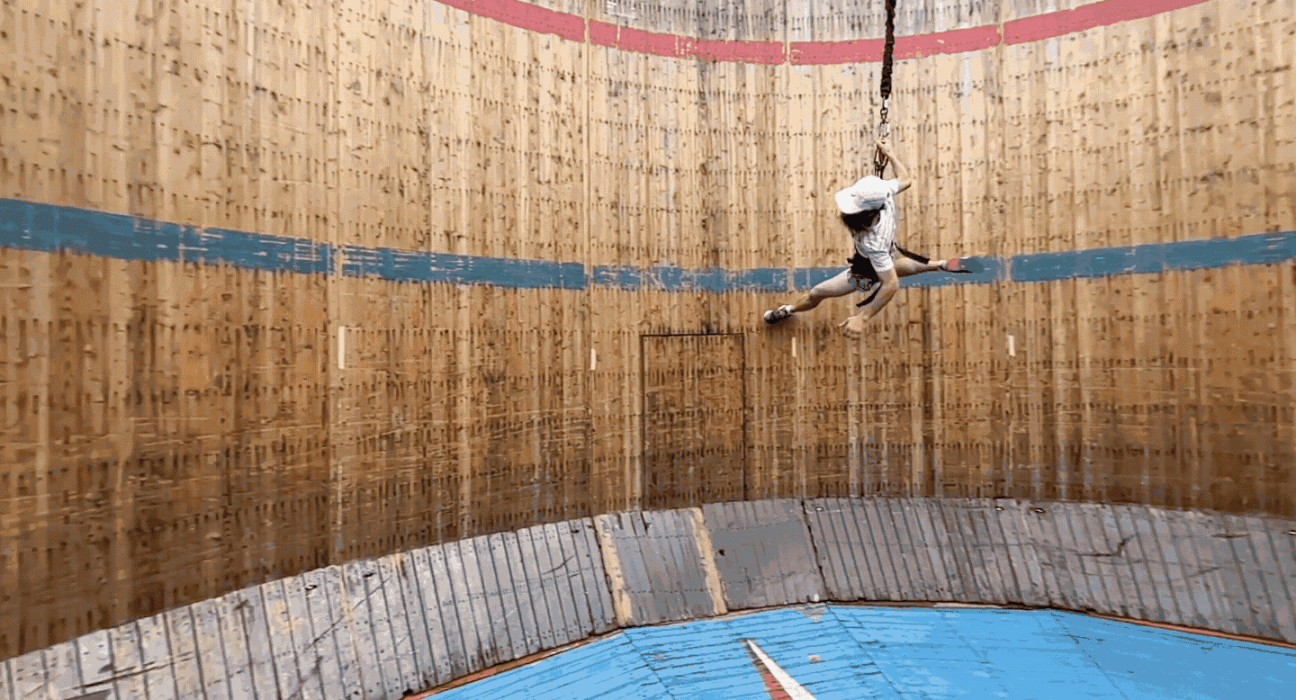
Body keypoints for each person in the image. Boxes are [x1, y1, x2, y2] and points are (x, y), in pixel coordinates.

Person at [762, 139, 974, 336]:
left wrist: (863, 318)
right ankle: (942, 264)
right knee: (892, 265)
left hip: (864, 270)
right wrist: (890, 153)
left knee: (816, 293)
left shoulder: (872, 242)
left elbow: (891, 285)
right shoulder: (884, 193)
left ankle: (788, 309)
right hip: (886, 251)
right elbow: (906, 180)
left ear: (864, 216)